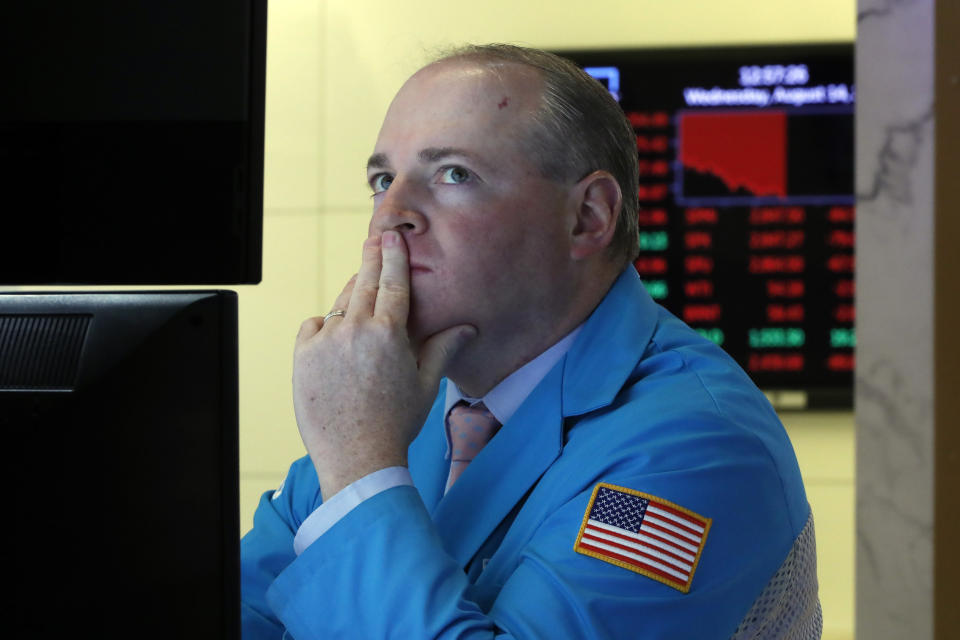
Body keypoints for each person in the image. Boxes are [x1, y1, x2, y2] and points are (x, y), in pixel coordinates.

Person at [240, 44, 821, 639]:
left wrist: (361, 469)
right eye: (383, 179)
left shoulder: (699, 445)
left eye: (453, 174)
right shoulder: (391, 401)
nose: (391, 215)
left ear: (588, 218)